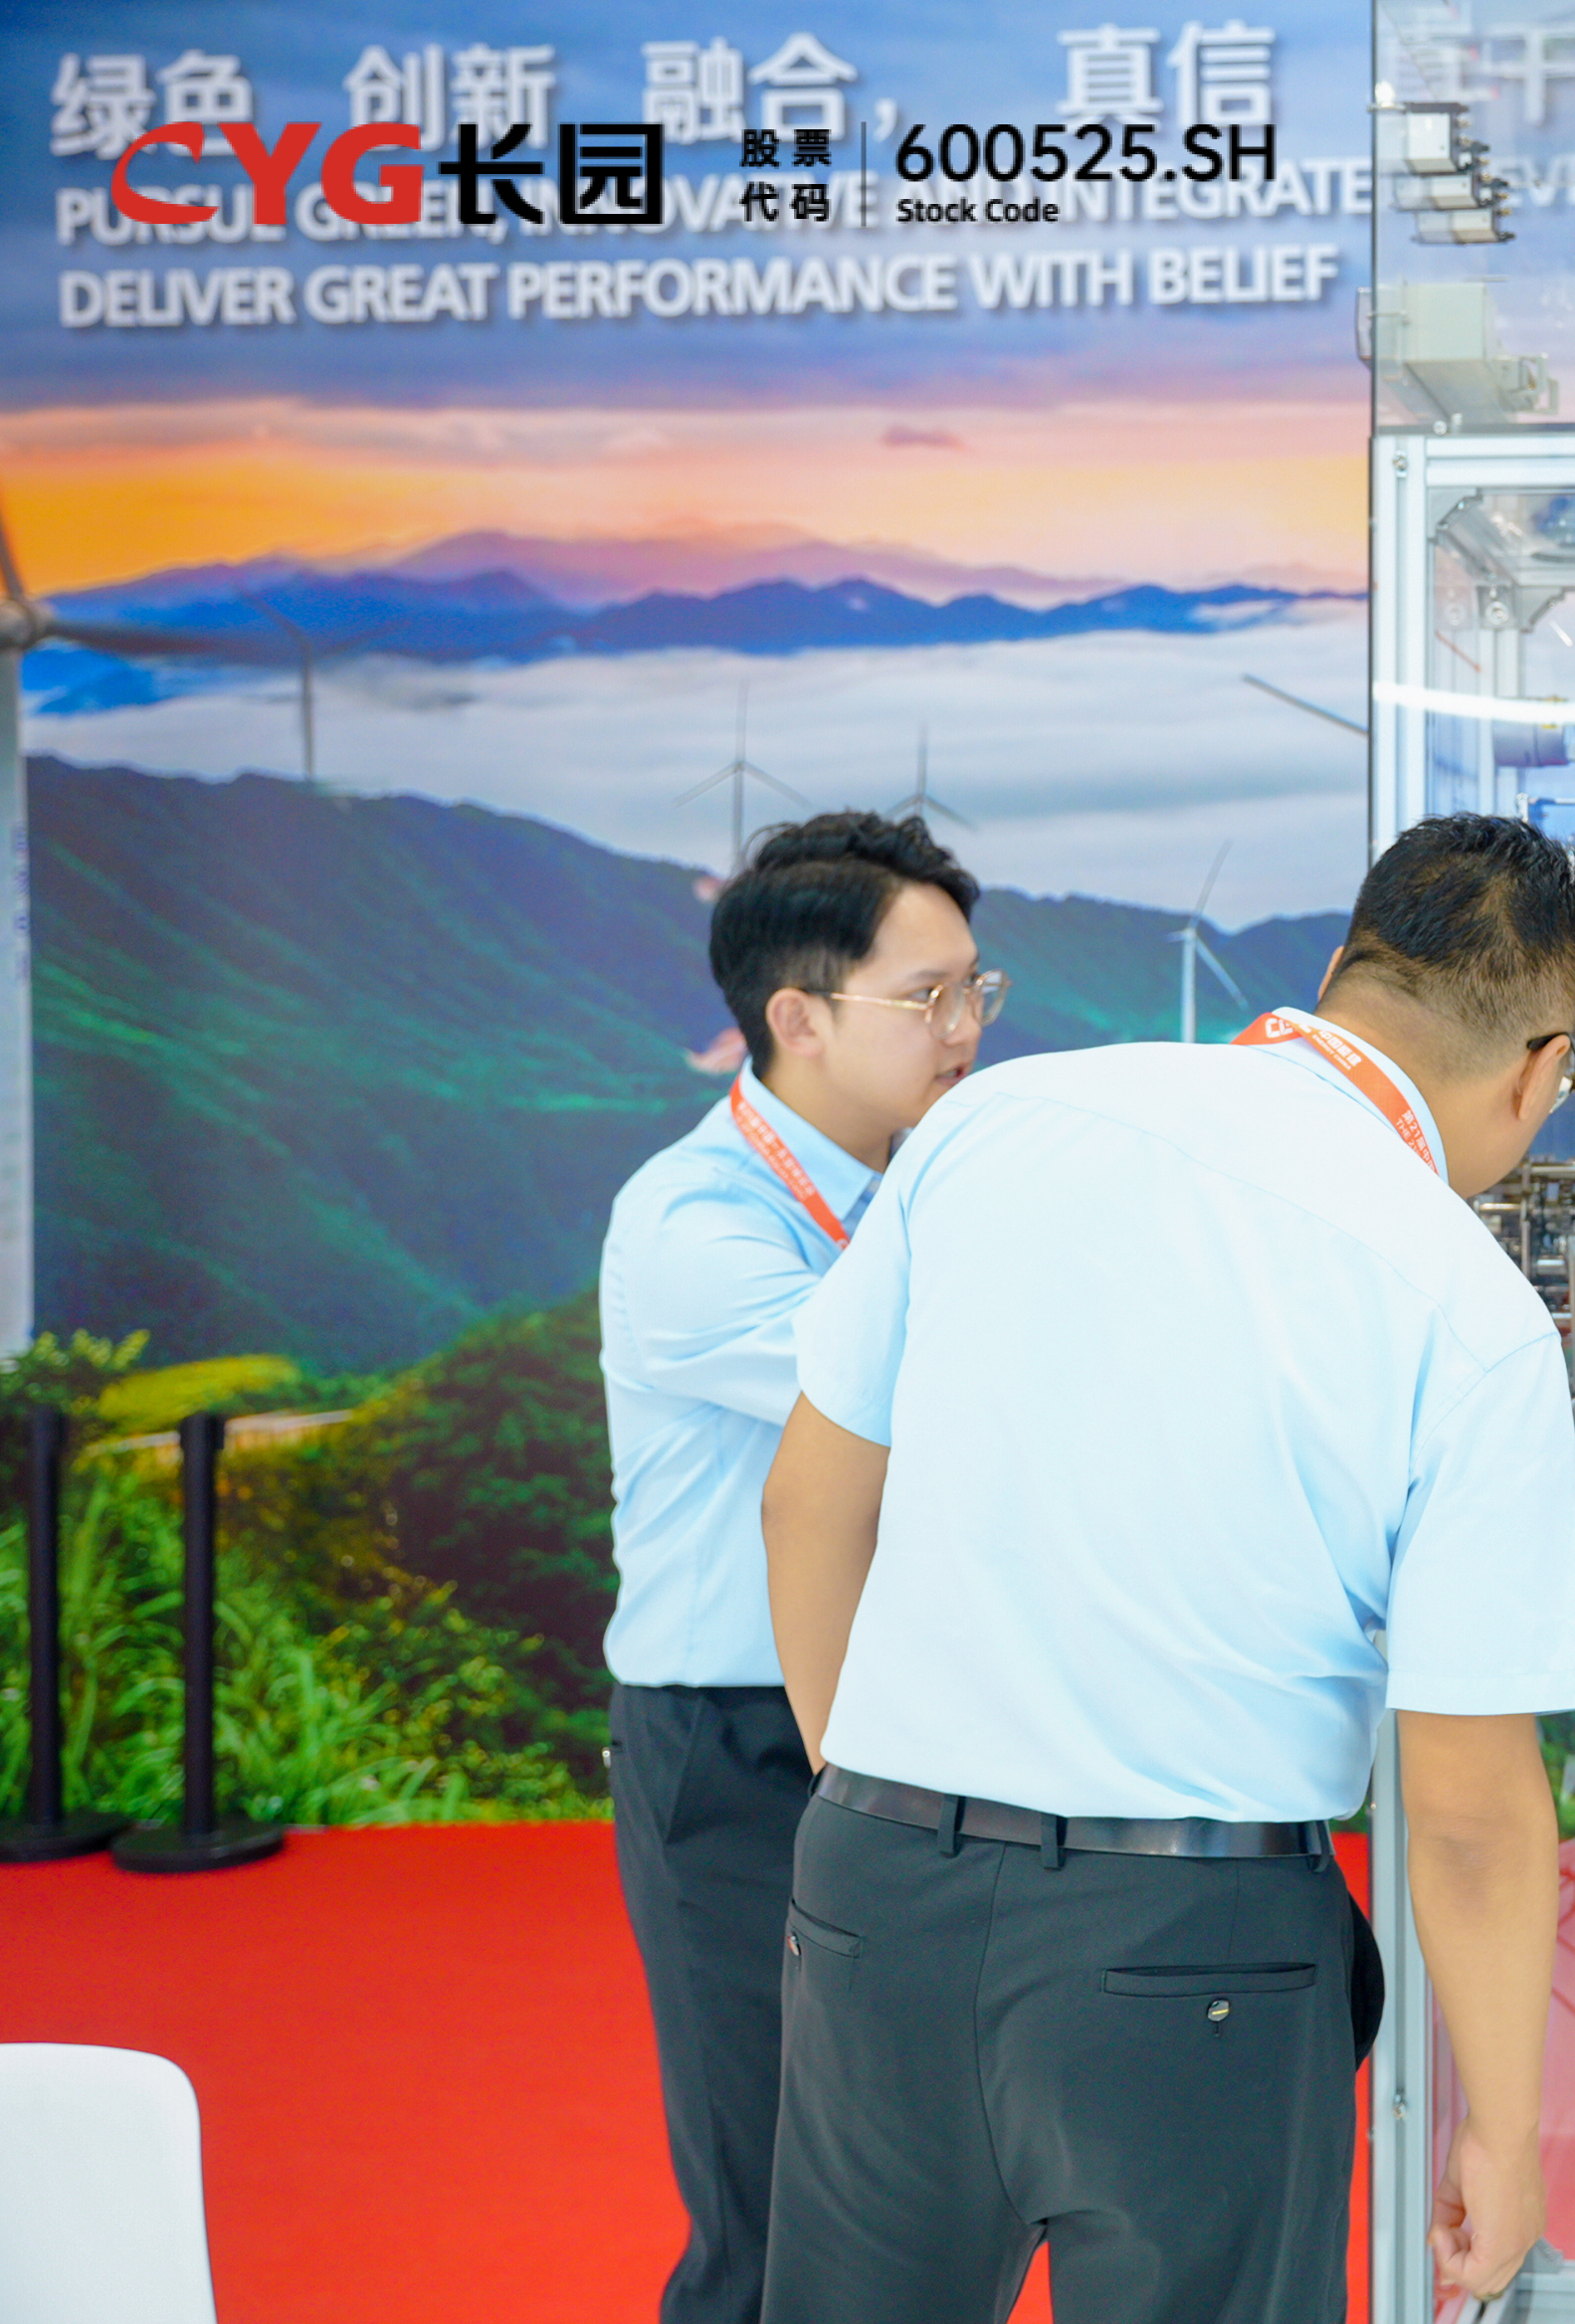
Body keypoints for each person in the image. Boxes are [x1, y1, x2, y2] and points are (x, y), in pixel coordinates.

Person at [755, 812, 1575, 2324]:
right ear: (1544, 1068)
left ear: (1341, 969)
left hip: (876, 1890)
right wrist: (1504, 2126)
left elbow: (809, 1507)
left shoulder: (994, 1121)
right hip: (1193, 1948)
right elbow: (1470, 1807)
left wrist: (872, 1797)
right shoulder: (1469, 1310)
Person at [600, 811, 1004, 2324]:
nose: (964, 1028)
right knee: (772, 2196)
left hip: (904, 1722)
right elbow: (922, 1401)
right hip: (736, 1744)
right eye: (926, 996)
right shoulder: (693, 1221)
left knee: (921, 2179)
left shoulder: (925, 1184)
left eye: (975, 989)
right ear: (799, 1017)